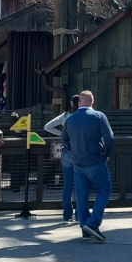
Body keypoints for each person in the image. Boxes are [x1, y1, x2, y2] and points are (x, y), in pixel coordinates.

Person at [62, 90, 114, 242]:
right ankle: (93, 223)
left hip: (78, 162)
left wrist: (74, 150)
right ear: (92, 101)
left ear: (79, 102)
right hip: (96, 160)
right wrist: (108, 153)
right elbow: (109, 137)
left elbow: (64, 139)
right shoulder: (99, 116)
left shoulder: (70, 119)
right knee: (104, 190)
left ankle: (85, 230)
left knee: (82, 195)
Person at [44, 95, 81, 223]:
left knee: (67, 185)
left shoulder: (65, 116)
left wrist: (62, 134)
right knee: (80, 185)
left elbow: (47, 126)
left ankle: (67, 215)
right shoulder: (82, 116)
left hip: (66, 152)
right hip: (79, 152)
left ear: (72, 103)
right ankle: (79, 215)